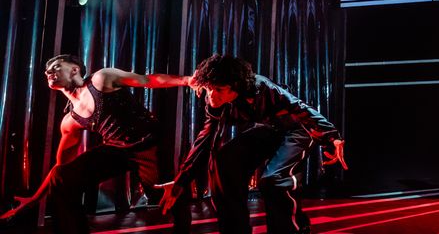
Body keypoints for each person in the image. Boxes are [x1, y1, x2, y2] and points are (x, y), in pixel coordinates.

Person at [0, 54, 193, 233]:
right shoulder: (70, 120)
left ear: (75, 69)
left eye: (56, 66)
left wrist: (186, 80)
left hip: (149, 144)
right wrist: (34, 199)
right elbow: (60, 169)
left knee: (163, 197)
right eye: (46, 71)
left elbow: (147, 80)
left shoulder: (101, 79)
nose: (49, 72)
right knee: (63, 178)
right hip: (116, 149)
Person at [159, 54, 347, 234]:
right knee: (223, 161)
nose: (212, 96)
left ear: (235, 86)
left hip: (298, 129)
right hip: (271, 130)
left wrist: (332, 136)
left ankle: (293, 229)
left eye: (219, 90)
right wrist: (181, 181)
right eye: (209, 89)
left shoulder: (261, 87)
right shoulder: (217, 105)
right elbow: (204, 140)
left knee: (273, 181)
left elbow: (299, 107)